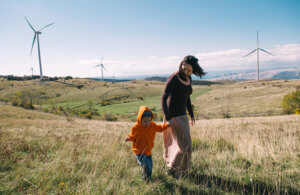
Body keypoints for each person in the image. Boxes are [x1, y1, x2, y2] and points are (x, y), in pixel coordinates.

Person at [161, 55, 206, 177]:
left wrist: (191, 115)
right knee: (185, 145)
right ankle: (173, 170)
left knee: (183, 145)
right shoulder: (174, 77)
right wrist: (167, 117)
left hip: (183, 116)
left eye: (189, 70)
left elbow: (187, 98)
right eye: (184, 68)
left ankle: (177, 170)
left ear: (193, 71)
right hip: (173, 116)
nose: (185, 71)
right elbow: (164, 97)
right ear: (181, 64)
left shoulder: (188, 79)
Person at [125, 105, 171, 181]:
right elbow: (132, 136)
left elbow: (161, 128)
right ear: (140, 120)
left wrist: (167, 125)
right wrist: (128, 137)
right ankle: (146, 179)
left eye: (149, 120)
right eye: (145, 121)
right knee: (146, 165)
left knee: (150, 166)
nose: (147, 123)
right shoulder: (136, 128)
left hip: (148, 151)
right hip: (139, 151)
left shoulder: (152, 125)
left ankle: (146, 177)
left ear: (151, 119)